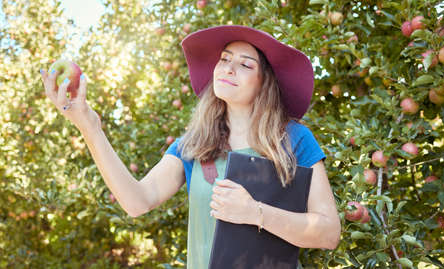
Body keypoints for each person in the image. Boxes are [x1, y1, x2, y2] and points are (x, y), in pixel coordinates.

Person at [40, 25, 341, 268]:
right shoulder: (195, 145)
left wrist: (255, 213)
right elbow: (137, 202)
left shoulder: (294, 139)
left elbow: (328, 232)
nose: (229, 68)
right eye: (224, 59)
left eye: (245, 65)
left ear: (265, 83)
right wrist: (88, 126)